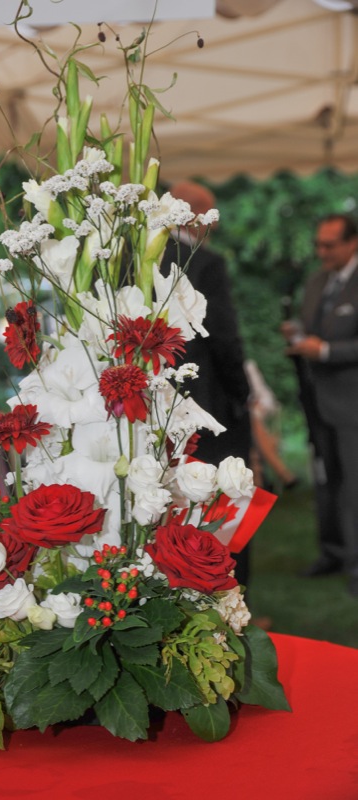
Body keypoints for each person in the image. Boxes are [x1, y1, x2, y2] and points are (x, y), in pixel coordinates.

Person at [161, 181, 252, 588]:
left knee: (171, 505)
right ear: (196, 216)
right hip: (206, 399)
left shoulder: (133, 256)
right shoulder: (205, 263)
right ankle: (229, 591)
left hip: (156, 402)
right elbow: (224, 336)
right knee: (223, 498)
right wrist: (241, 393)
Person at [283, 213, 358, 596]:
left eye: (330, 245)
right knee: (326, 480)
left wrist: (326, 351)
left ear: (353, 242)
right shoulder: (317, 281)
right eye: (318, 244)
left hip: (352, 403)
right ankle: (333, 552)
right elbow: (314, 328)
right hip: (317, 400)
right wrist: (298, 335)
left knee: (354, 485)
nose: (321, 252)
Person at [244, 359, 298, 491]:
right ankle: (282, 472)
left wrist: (257, 407)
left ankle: (260, 486)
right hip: (244, 421)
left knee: (255, 428)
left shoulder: (248, 367)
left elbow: (268, 398)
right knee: (254, 426)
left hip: (256, 419)